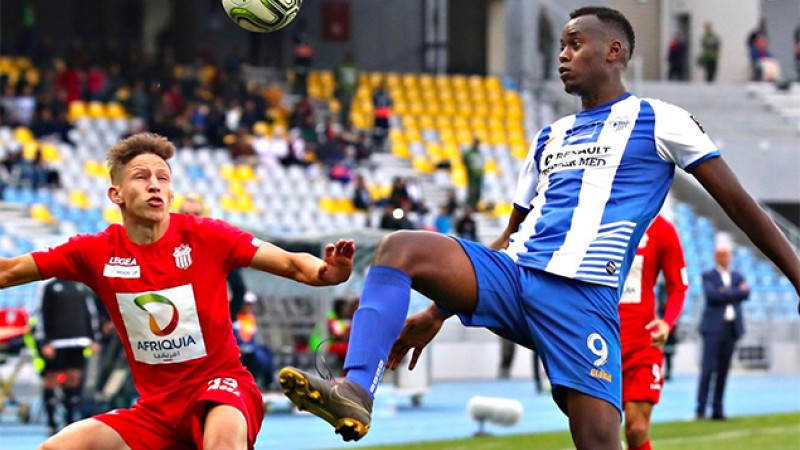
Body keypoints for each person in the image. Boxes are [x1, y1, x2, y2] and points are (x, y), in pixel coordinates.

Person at [277, 7, 800, 449]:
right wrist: (437, 312)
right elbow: (510, 236)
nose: (562, 56)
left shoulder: (661, 120)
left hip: (582, 298)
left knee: (598, 441)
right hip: (514, 277)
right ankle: (357, 389)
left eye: (575, 44)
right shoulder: (550, 136)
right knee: (400, 247)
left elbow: (740, 206)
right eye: (561, 46)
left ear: (614, 51)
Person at [0, 132, 355, 450]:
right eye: (141, 176)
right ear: (116, 193)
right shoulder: (94, 251)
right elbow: (10, 270)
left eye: (163, 178)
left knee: (221, 442)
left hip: (222, 387)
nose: (154, 185)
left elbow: (292, 263)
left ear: (171, 193)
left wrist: (326, 272)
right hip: (155, 410)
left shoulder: (208, 236)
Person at [618, 214, 687, 450]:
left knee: (636, 429)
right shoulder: (600, 219)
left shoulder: (662, 230)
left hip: (642, 344)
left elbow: (678, 287)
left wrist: (667, 323)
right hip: (600, 342)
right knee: (598, 431)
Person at [34, 278, 103, 435]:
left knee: (74, 379)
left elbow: (91, 312)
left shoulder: (81, 285)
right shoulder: (48, 285)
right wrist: (44, 342)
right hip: (55, 342)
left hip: (78, 340)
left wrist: (94, 338)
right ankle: (51, 422)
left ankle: (70, 422)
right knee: (51, 380)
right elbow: (40, 313)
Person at [696, 240, 750, 421]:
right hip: (713, 329)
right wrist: (735, 292)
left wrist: (725, 292)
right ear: (715, 257)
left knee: (723, 371)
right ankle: (701, 409)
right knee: (707, 369)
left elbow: (746, 293)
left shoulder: (737, 276)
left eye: (726, 255)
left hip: (731, 329)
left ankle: (717, 408)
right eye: (720, 255)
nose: (724, 258)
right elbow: (712, 296)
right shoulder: (708, 276)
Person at [179, 193, 248, 319]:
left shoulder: (215, 244)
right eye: (186, 215)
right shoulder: (167, 244)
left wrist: (229, 317)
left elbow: (239, 287)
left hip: (208, 318)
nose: (190, 220)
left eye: (195, 215)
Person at [462, 138, 485, 210]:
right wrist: (469, 168)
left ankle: (475, 206)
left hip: (479, 175)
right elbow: (465, 161)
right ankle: (469, 207)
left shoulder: (479, 153)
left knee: (477, 192)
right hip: (472, 175)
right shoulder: (469, 153)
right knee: (471, 191)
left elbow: (481, 164)